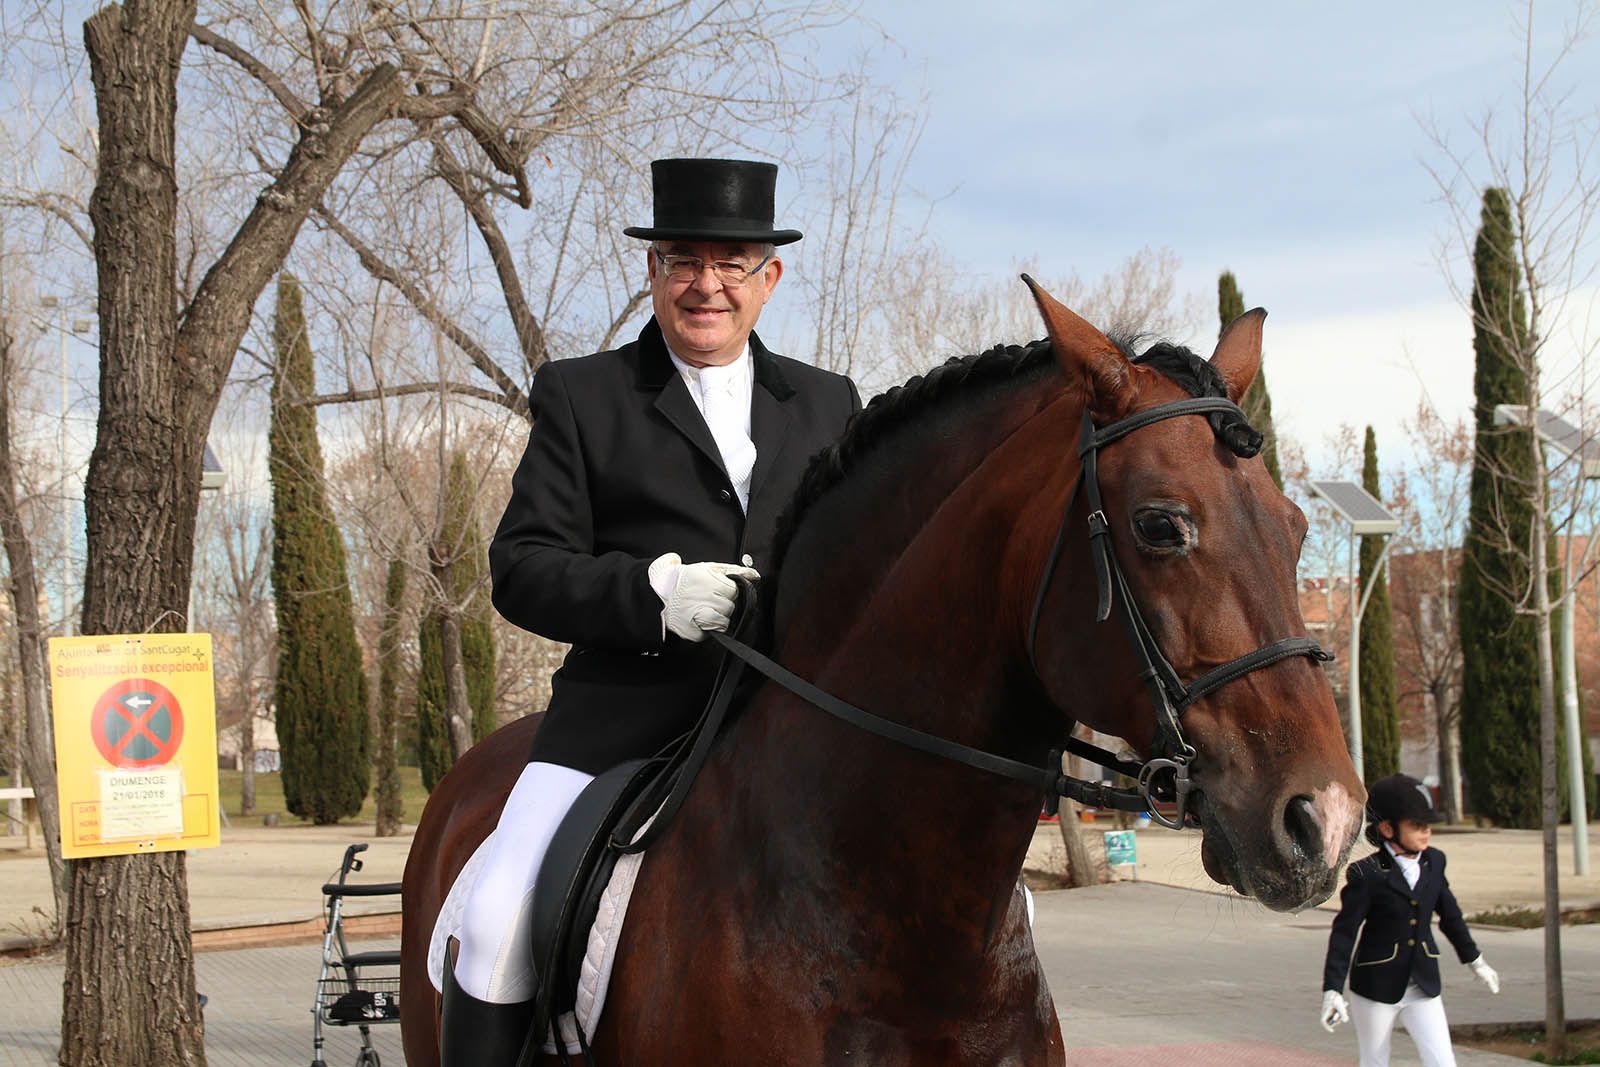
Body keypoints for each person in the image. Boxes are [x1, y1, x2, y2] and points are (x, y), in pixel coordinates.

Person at [436, 157, 862, 1063]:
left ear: (768, 278)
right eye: (682, 260)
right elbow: (521, 565)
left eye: (732, 263)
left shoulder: (830, 404)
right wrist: (651, 594)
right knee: (501, 909)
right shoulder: (584, 395)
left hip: (791, 723)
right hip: (619, 722)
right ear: (652, 271)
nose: (706, 284)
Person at [1319, 773, 1501, 1067]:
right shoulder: (1367, 873)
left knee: (1443, 1062)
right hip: (1376, 987)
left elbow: (1450, 916)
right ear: (1387, 828)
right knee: (1375, 1061)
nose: (1426, 833)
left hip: (1423, 984)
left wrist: (1475, 960)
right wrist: (1332, 989)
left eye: (1428, 825)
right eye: (1417, 826)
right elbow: (1345, 933)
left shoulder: (1435, 862)